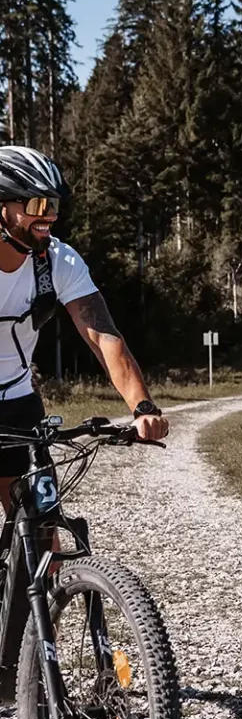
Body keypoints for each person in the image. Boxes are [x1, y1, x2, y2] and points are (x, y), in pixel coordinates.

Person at [0, 146, 168, 508]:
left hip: (18, 406)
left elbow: (104, 338)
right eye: (36, 206)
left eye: (54, 206)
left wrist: (142, 407)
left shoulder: (57, 261)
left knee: (44, 530)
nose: (49, 217)